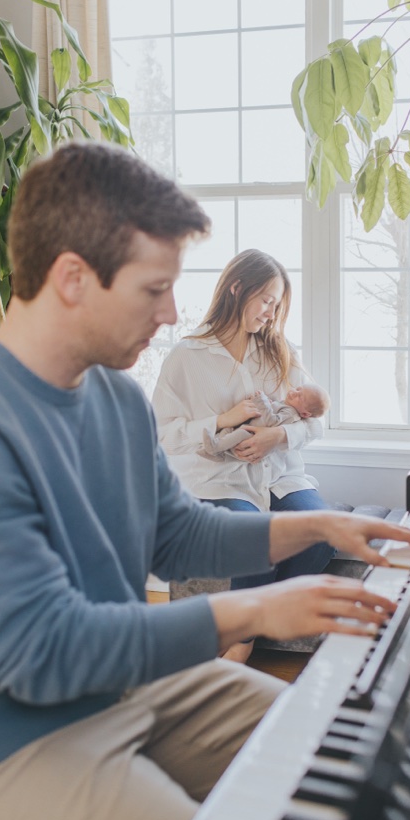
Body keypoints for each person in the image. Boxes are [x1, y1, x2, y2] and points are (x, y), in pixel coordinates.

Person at [0, 141, 410, 820]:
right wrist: (257, 607)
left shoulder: (115, 399)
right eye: (155, 289)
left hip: (119, 684)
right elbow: (38, 649)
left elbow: (178, 532)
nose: (174, 312)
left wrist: (320, 527)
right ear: (72, 278)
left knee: (337, 752)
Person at [153, 250, 337, 663]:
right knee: (257, 539)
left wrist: (278, 436)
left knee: (322, 535)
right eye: (267, 301)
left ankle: (243, 631)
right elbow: (164, 434)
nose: (272, 314)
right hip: (218, 479)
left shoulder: (279, 351)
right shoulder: (187, 356)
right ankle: (243, 645)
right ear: (237, 288)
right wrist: (223, 420)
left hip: (279, 477)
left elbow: (317, 420)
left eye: (277, 305)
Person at [199, 383, 329, 461]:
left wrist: (262, 401)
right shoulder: (285, 405)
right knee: (229, 430)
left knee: (241, 433)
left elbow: (272, 421)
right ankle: (218, 451)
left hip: (251, 436)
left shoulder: (291, 414)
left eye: (300, 397)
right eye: (298, 389)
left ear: (305, 413)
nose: (294, 392)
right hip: (249, 427)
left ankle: (215, 448)